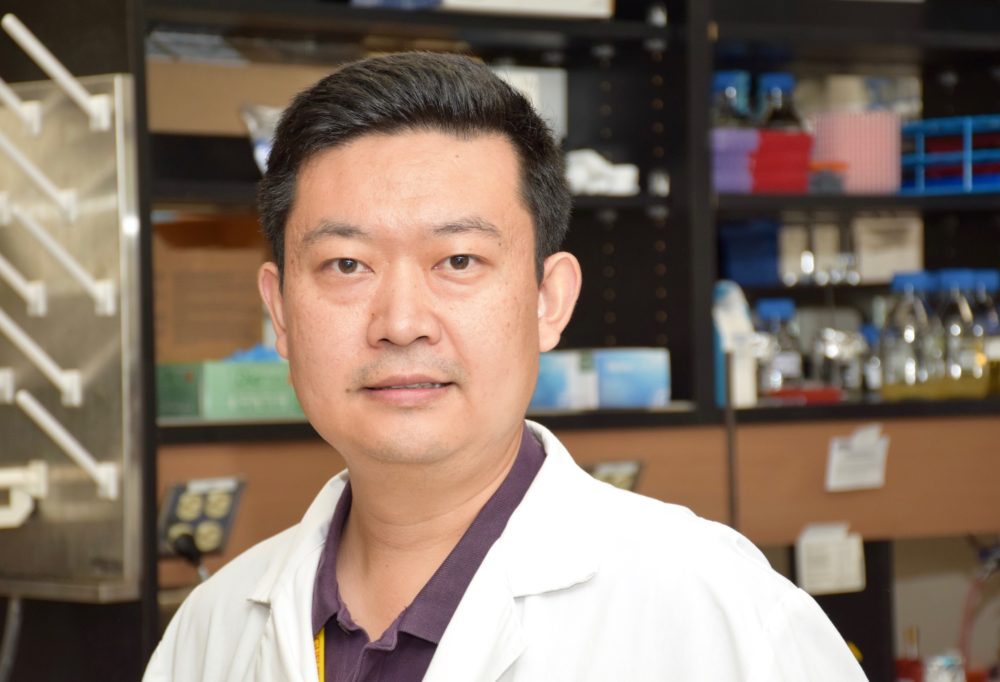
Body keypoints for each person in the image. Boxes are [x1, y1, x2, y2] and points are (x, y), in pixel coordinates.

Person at [144, 52, 866, 681]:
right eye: (346, 264)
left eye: (458, 260)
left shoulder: (720, 617)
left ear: (549, 300)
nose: (400, 323)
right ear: (280, 313)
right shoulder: (210, 636)